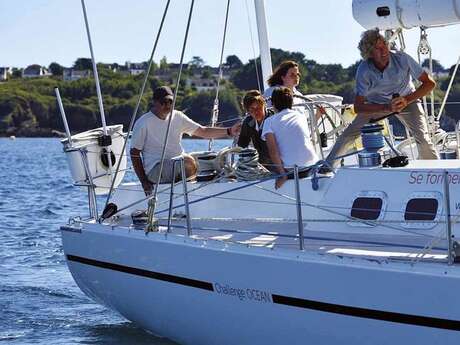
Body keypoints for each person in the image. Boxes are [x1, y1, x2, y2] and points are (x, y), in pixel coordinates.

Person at [325, 28, 438, 168]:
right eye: (378, 49)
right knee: (349, 134)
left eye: (384, 45)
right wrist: (386, 107)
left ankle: (436, 171)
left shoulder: (403, 58)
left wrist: (407, 100)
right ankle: (327, 169)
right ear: (369, 54)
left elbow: (430, 83)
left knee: (424, 139)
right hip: (377, 105)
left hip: (407, 100)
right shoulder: (364, 70)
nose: (384, 51)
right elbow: (358, 107)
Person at [130, 86, 241, 194]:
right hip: (155, 169)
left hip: (176, 162)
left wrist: (229, 131)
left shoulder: (178, 116)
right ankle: (190, 195)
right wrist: (144, 181)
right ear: (155, 102)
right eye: (163, 102)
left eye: (170, 101)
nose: (167, 105)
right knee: (188, 163)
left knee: (213, 160)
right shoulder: (144, 123)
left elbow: (203, 131)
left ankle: (198, 192)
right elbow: (134, 153)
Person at [261, 87, 319, 189]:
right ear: (291, 102)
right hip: (313, 165)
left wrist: (283, 175)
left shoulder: (269, 122)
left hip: (293, 171)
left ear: (273, 104)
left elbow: (273, 151)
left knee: (266, 168)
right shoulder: (301, 116)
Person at [237, 90, 274, 170]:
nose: (256, 112)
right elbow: (242, 145)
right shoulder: (248, 123)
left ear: (264, 105)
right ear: (248, 111)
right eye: (252, 109)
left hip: (277, 165)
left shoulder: (274, 119)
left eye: (258, 107)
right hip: (261, 166)